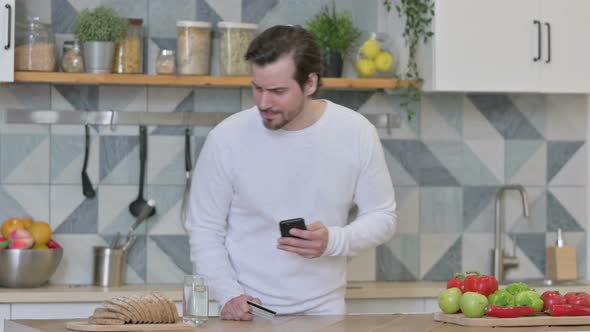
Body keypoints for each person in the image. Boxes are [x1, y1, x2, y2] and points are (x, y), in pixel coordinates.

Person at [185, 25, 396, 320]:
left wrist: (333, 241)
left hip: (325, 314)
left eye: (277, 91)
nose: (263, 102)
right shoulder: (226, 138)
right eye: (257, 88)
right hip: (246, 313)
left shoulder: (356, 133)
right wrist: (228, 295)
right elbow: (204, 229)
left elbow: (383, 217)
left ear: (310, 83)